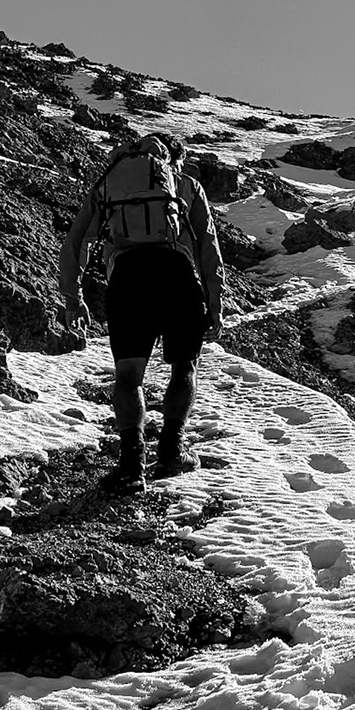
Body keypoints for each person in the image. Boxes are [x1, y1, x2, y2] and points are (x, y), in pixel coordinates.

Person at [60, 132, 225, 490]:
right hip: (177, 274)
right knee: (185, 366)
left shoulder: (110, 183)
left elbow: (77, 240)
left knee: (128, 375)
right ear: (174, 159)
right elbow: (208, 247)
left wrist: (73, 297)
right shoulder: (186, 185)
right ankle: (171, 450)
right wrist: (214, 302)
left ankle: (131, 467)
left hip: (128, 277)